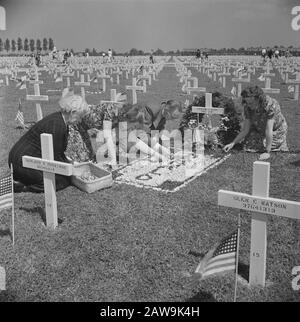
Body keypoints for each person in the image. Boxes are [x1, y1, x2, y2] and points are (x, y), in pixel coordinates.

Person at [9, 88, 89, 193]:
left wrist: (71, 163)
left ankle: (21, 180)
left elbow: (57, 152)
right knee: (62, 180)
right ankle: (23, 187)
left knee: (64, 176)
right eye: (80, 117)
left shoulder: (59, 119)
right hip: (21, 162)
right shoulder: (58, 125)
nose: (80, 120)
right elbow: (55, 157)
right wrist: (73, 169)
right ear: (73, 112)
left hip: (21, 158)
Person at [223, 86, 289, 160]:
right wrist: (233, 143)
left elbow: (269, 130)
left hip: (275, 130)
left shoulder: (270, 105)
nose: (249, 105)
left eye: (251, 103)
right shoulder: (247, 107)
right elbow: (245, 130)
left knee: (264, 145)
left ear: (258, 99)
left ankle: (275, 145)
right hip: (260, 129)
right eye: (247, 103)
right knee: (247, 145)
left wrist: (267, 152)